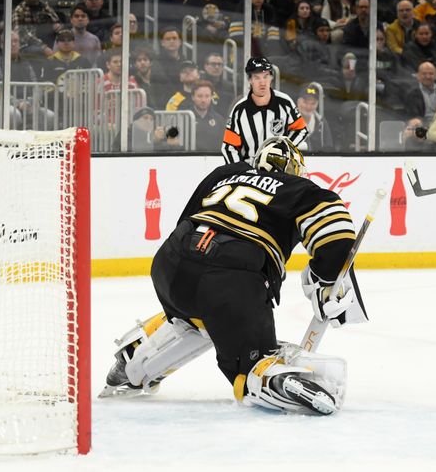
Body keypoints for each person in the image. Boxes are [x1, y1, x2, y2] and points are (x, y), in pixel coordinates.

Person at [101, 136, 364, 415]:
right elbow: (337, 234)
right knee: (248, 360)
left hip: (170, 264)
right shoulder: (302, 188)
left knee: (192, 317)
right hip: (231, 281)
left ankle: (132, 362)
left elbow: (187, 219)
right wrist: (326, 279)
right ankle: (268, 376)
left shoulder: (225, 174)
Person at [221, 57, 307, 164]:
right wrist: (241, 172)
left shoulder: (285, 103)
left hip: (280, 170)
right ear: (250, 80)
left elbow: (301, 130)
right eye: (257, 78)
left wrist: (284, 150)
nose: (262, 82)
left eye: (266, 76)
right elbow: (229, 147)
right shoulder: (239, 110)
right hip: (251, 174)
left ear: (271, 77)